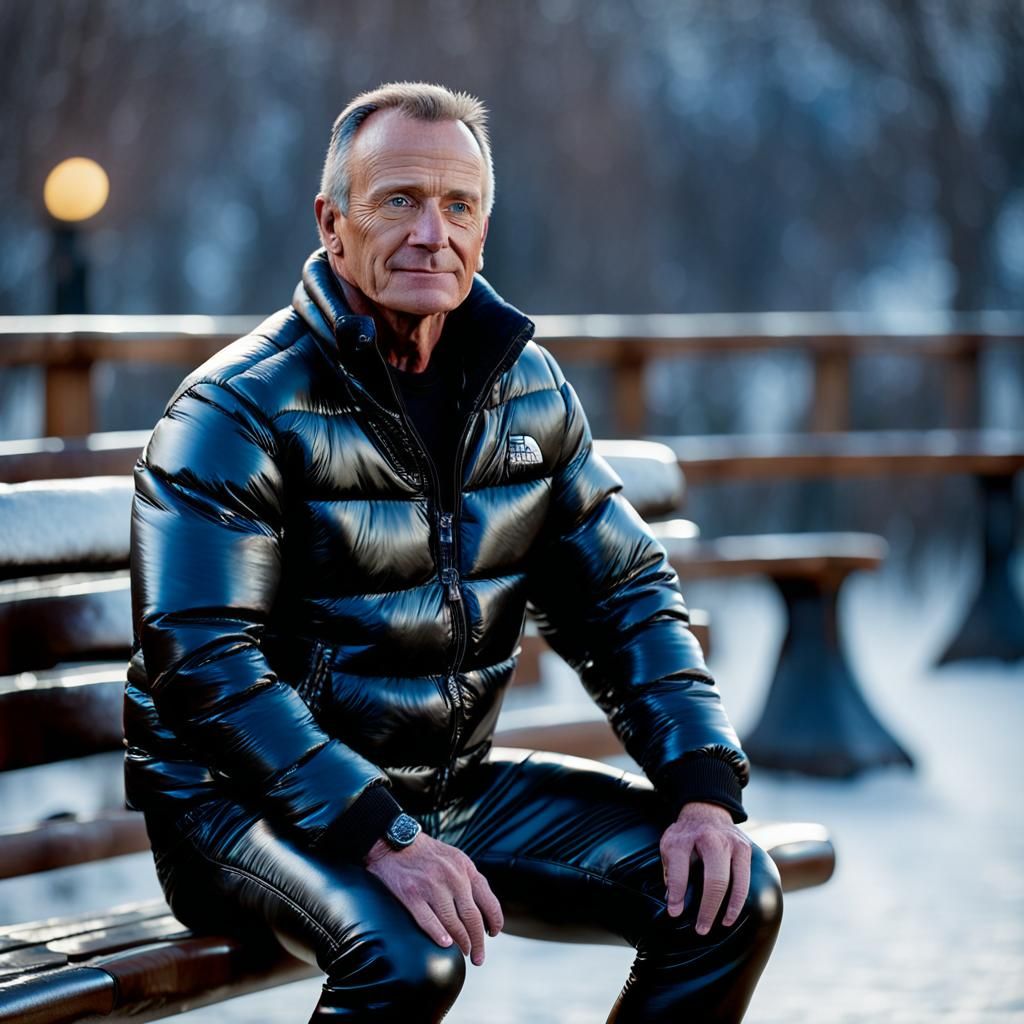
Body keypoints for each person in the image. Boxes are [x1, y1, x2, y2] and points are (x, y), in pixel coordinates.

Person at [125, 81, 782, 1022]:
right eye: (399, 201)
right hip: (239, 808)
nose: (432, 233)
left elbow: (624, 595)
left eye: (458, 206)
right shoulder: (234, 410)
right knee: (407, 958)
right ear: (333, 223)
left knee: (727, 896)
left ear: (482, 228)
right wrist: (376, 832)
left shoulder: (526, 389)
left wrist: (702, 789)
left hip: (442, 788)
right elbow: (203, 662)